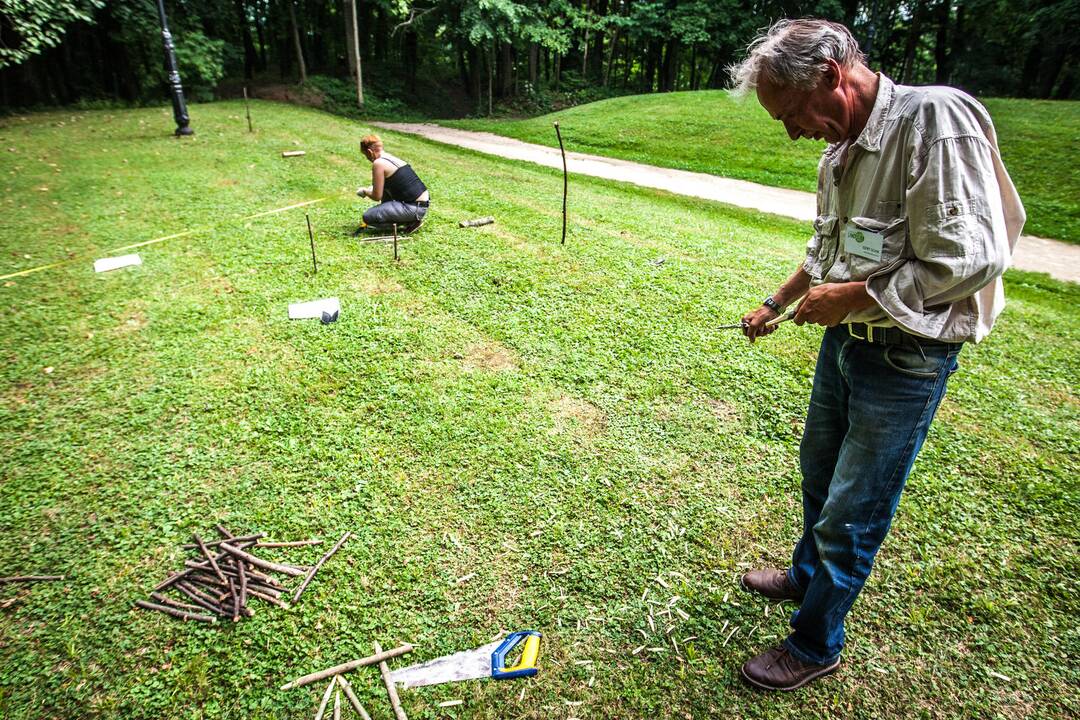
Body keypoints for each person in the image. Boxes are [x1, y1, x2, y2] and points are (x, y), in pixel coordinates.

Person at [728, 19, 1025, 691]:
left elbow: (970, 260)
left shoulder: (933, 120)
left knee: (853, 508)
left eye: (795, 112)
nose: (794, 131)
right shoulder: (839, 152)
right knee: (819, 477)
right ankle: (805, 578)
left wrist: (851, 298)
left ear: (832, 76)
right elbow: (824, 250)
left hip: (907, 357)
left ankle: (815, 643)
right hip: (847, 343)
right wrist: (776, 304)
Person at [356, 134, 429, 233]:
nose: (367, 159)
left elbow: (377, 196)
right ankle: (408, 220)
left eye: (366, 155)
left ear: (369, 152)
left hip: (413, 208)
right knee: (385, 189)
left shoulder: (378, 163)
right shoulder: (390, 158)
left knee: (368, 217)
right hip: (421, 205)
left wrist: (365, 191)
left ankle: (410, 222)